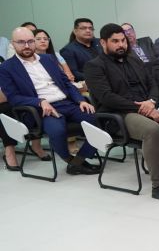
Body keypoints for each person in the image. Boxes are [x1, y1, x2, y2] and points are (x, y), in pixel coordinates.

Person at [84, 23, 159, 202]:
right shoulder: (94, 66)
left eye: (123, 40)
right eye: (115, 41)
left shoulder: (134, 60)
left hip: (149, 107)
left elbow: (153, 84)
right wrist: (141, 108)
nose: (121, 45)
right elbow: (106, 97)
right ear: (103, 42)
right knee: (151, 129)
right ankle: (158, 185)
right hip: (119, 115)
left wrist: (151, 102)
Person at [0, 27, 100, 175]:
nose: (26, 46)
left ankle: (78, 161)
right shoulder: (7, 67)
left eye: (30, 41)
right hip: (44, 109)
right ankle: (70, 160)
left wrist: (80, 100)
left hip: (67, 103)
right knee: (57, 131)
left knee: (102, 123)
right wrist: (39, 101)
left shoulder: (48, 59)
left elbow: (66, 83)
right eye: (21, 42)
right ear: (12, 44)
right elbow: (13, 97)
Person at [59, 18, 101, 82]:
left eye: (90, 28)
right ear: (75, 31)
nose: (88, 31)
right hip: (90, 82)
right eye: (83, 28)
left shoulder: (101, 42)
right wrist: (98, 77)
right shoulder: (68, 50)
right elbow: (74, 74)